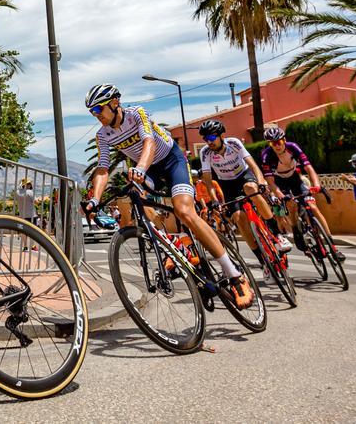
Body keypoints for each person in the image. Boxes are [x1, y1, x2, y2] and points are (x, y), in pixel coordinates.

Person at [82, 85, 254, 307]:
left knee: (184, 211)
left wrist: (140, 170)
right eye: (92, 112)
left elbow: (149, 142)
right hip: (148, 169)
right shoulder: (103, 135)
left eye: (98, 109)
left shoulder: (136, 114)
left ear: (114, 103)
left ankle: (235, 275)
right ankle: (175, 244)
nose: (96, 115)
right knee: (133, 197)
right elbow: (103, 167)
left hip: (171, 161)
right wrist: (95, 199)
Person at [197, 119, 293, 261]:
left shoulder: (234, 143)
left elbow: (253, 166)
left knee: (250, 188)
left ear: (222, 136)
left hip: (244, 175)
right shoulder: (205, 152)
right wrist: (215, 200)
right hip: (227, 183)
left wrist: (261, 183)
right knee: (239, 218)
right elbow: (208, 181)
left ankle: (277, 235)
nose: (208, 142)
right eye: (205, 139)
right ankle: (263, 261)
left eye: (211, 137)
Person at [259, 125, 344, 261]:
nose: (277, 146)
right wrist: (279, 194)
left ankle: (333, 247)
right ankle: (296, 230)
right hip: (280, 182)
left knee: (314, 207)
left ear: (284, 140)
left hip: (295, 179)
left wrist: (316, 184)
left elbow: (308, 167)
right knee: (291, 206)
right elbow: (270, 181)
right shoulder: (266, 155)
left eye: (279, 142)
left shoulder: (293, 147)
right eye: (272, 143)